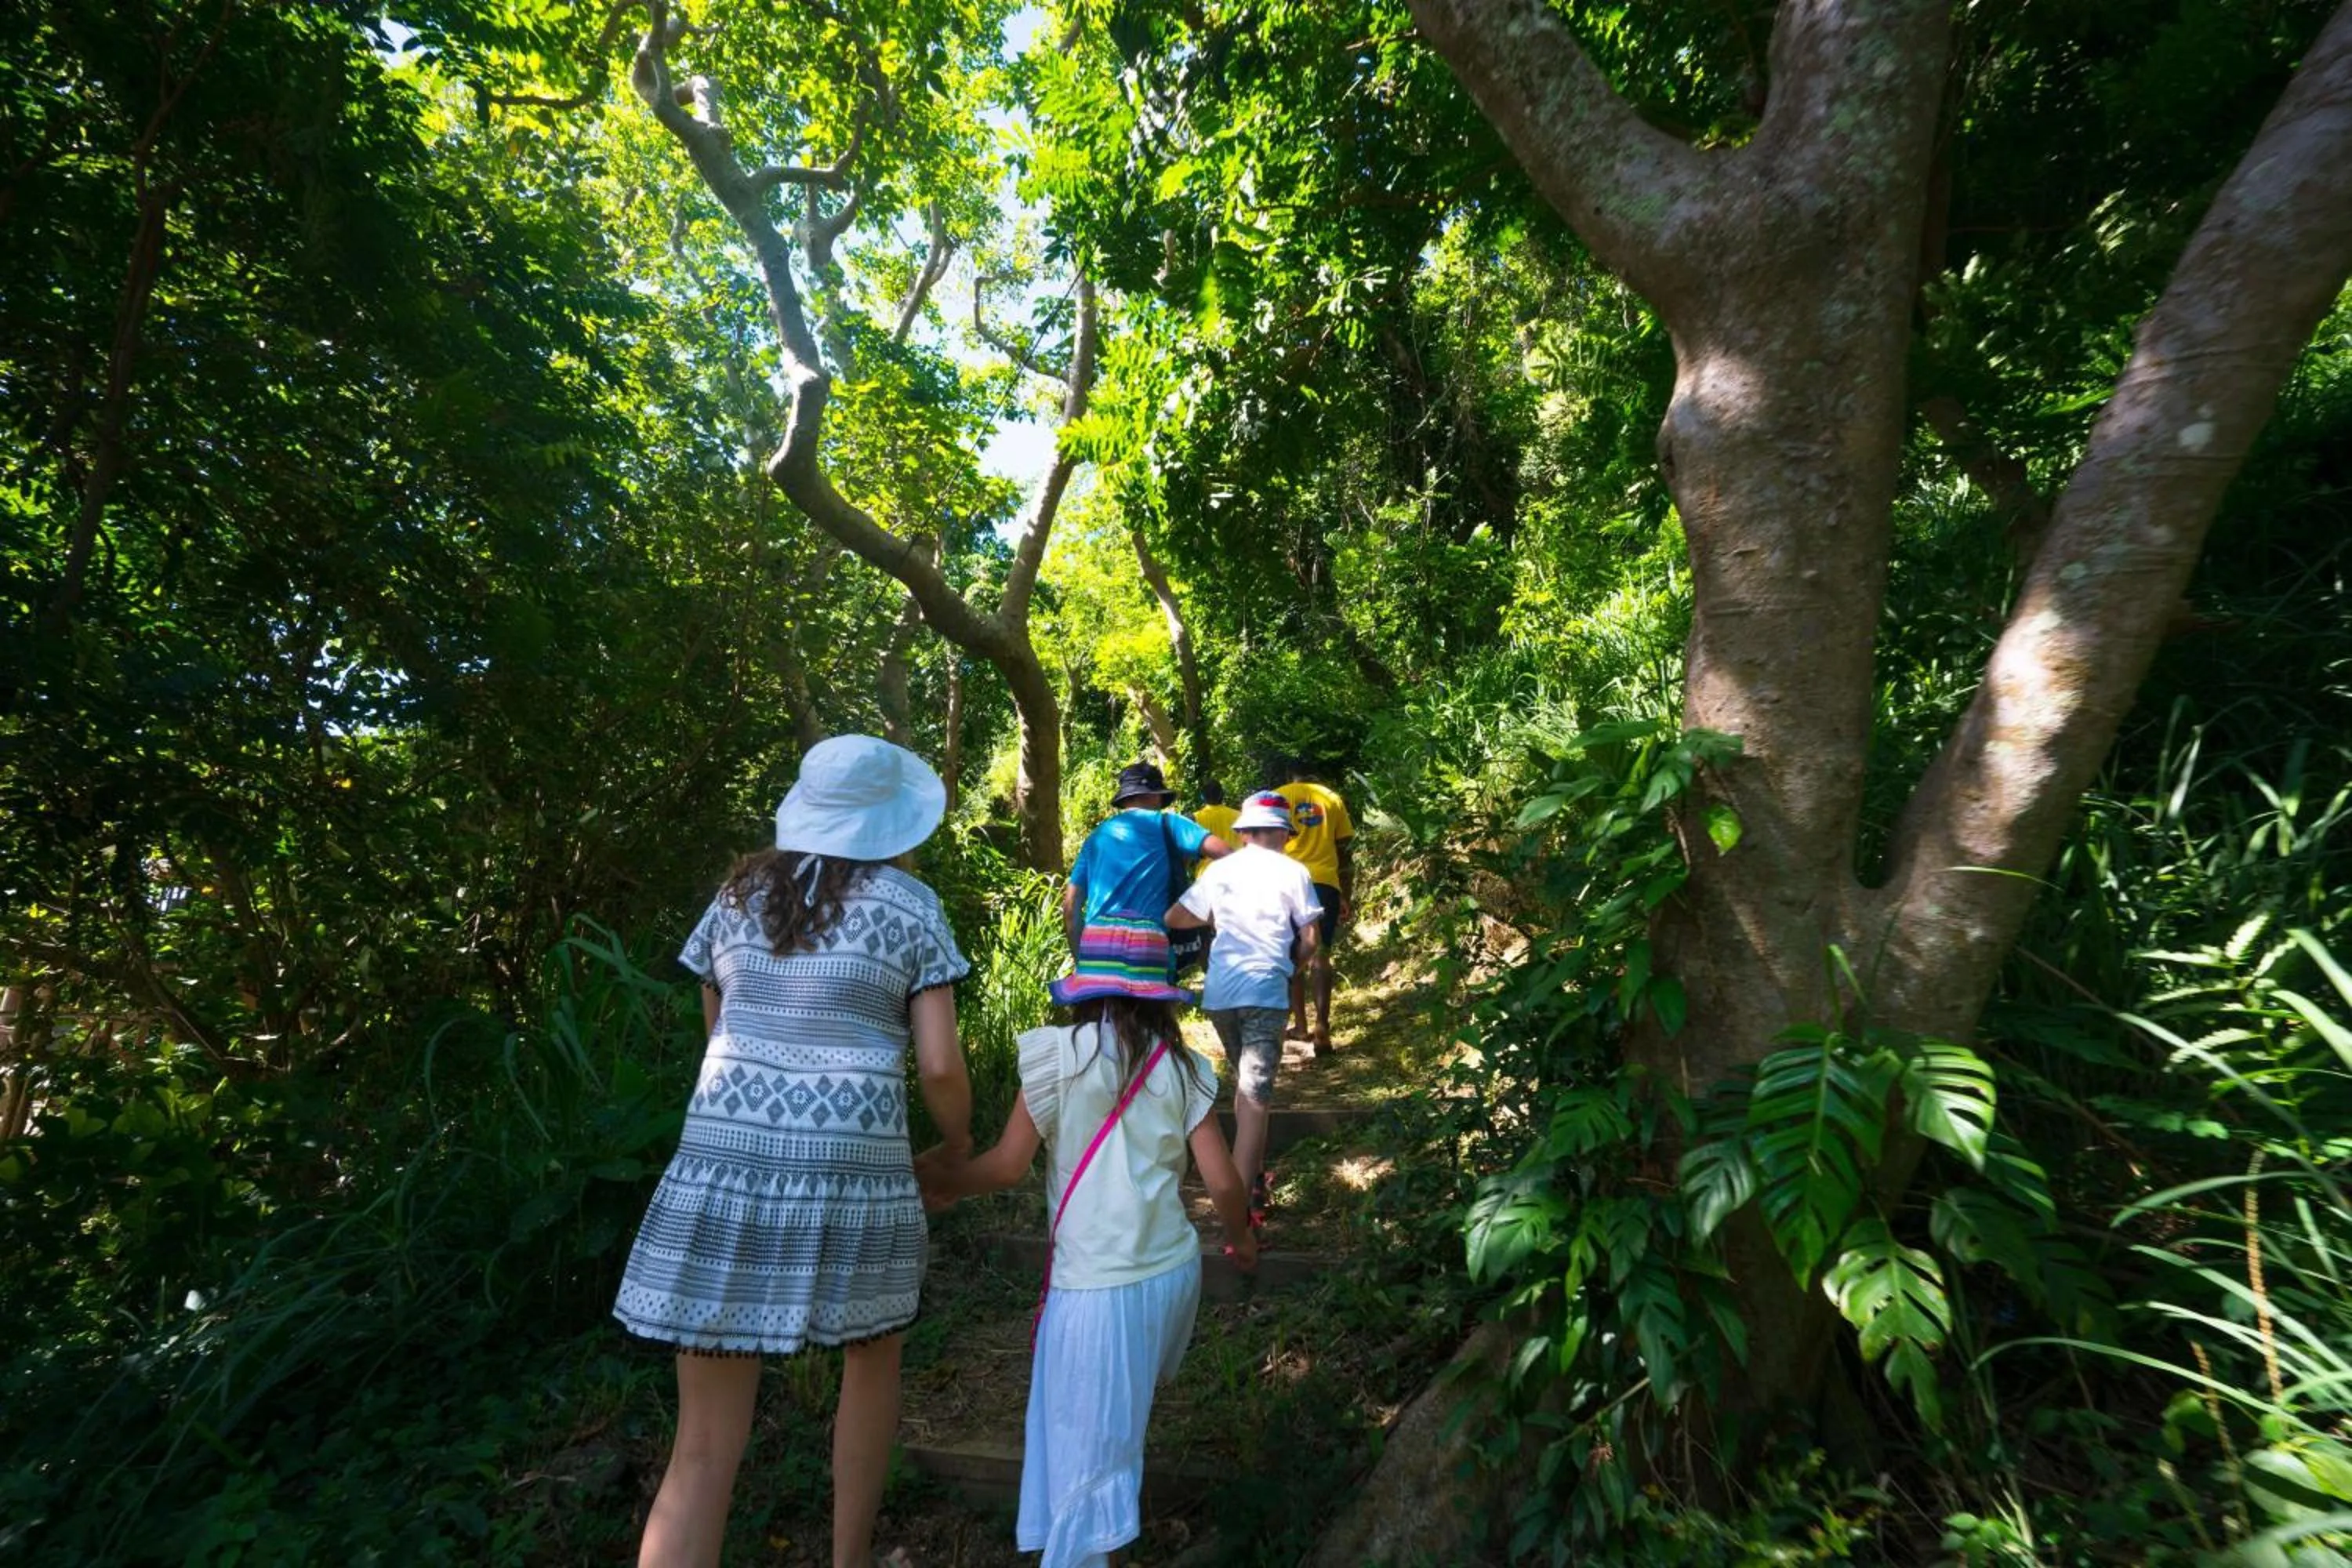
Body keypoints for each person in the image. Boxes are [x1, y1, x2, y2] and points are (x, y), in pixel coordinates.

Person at [614, 735, 972, 1568]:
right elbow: (941, 1064)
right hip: (856, 1169)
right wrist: (955, 1144)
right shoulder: (912, 905)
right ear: (891, 821)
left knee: (700, 1444)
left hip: (723, 1165)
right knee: (872, 1360)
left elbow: (719, 1033)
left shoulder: (735, 897)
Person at [916, 940, 1255, 1568]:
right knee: (1112, 1435)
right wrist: (1241, 1237)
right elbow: (1225, 1183)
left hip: (1097, 1288)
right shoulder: (1180, 1066)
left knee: (1087, 1455)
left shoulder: (1058, 1056)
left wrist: (939, 1181)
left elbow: (1008, 1165)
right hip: (1171, 1276)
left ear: (1085, 992)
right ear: (1159, 999)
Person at [1164, 790, 1319, 1229]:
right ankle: (1238, 1204)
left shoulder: (1220, 870)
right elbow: (1310, 939)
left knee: (1246, 1087)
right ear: (1282, 833)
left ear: (1246, 832)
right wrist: (1292, 968)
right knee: (1254, 1097)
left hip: (1220, 995)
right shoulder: (1293, 870)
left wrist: (1214, 919)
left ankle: (1253, 1182)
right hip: (1265, 992)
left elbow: (1174, 916)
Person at [1062, 761, 1230, 989]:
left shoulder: (1096, 837)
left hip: (1097, 944)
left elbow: (1071, 907)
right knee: (1154, 1018)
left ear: (1126, 799)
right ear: (1155, 796)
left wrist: (1082, 962)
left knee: (1103, 1024)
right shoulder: (1169, 823)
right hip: (1147, 941)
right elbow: (1229, 855)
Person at [1273, 757, 1356, 1056]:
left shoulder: (1279, 797)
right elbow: (1345, 851)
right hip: (1324, 883)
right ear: (1312, 774)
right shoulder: (1331, 798)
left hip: (1285, 880)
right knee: (1321, 952)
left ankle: (1300, 1024)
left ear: (1287, 775)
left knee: (1292, 953)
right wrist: (1345, 893)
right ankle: (1323, 1025)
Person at [1187, 781, 1239, 877]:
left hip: (1207, 875)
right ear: (1222, 795)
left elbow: (1189, 853)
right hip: (1235, 871)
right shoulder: (1238, 815)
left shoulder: (1194, 819)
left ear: (1202, 797)